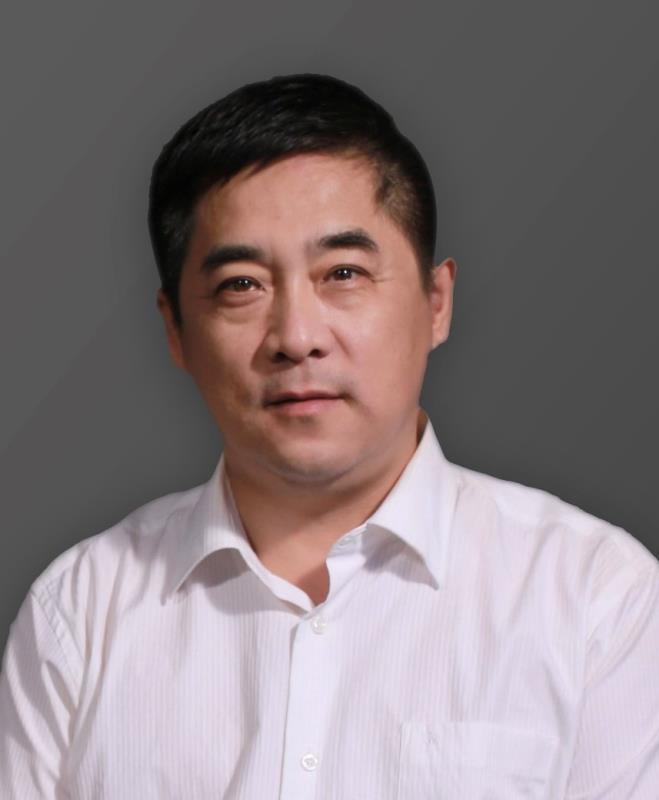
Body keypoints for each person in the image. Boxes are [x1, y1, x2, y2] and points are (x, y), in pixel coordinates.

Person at [1, 73, 657, 800]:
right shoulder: (80, 611)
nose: (297, 336)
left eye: (343, 272)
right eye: (241, 285)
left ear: (436, 302)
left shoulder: (597, 598)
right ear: (175, 330)